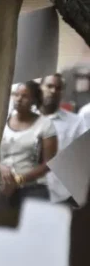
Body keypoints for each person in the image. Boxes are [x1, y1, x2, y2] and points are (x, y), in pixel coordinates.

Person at [0, 81, 59, 210]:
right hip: (1, 185)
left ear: (34, 100)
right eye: (16, 95)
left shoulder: (45, 125)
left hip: (32, 188)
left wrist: (19, 180)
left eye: (24, 96)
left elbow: (49, 163)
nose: (18, 99)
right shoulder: (2, 120)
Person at [40, 73, 87, 206]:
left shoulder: (76, 123)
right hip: (24, 190)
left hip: (59, 196)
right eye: (49, 86)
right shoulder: (25, 117)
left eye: (58, 88)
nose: (53, 91)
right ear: (40, 88)